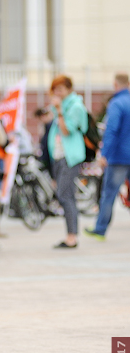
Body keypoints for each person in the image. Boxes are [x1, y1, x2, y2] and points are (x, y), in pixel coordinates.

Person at [85, 73, 130, 240]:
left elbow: (111, 130)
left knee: (109, 194)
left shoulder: (116, 104)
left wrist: (104, 154)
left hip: (119, 157)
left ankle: (100, 228)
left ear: (115, 84)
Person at [46, 75, 88, 249]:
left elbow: (67, 131)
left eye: (61, 89)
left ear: (69, 88)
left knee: (66, 195)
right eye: (55, 89)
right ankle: (70, 235)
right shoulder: (60, 106)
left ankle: (72, 237)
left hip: (70, 157)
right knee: (63, 194)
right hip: (58, 155)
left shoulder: (75, 106)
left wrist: (60, 110)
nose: (58, 92)